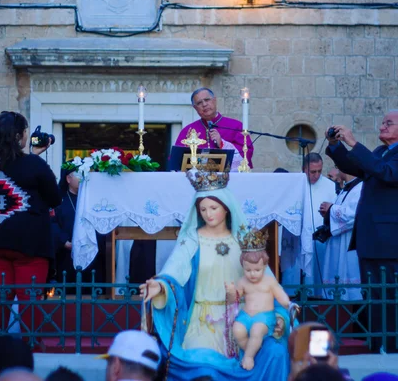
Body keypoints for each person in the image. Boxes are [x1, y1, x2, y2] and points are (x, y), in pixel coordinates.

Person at [140, 168, 291, 381]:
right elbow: (174, 270)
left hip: (243, 318)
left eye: (214, 207)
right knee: (205, 368)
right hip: (203, 322)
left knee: (275, 353)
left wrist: (279, 316)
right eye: (202, 209)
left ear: (226, 208)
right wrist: (161, 286)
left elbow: (267, 283)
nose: (208, 214)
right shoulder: (192, 241)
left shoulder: (244, 241)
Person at [326, 112, 398, 352]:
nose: (382, 126)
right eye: (383, 122)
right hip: (370, 237)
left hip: (389, 240)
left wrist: (355, 143)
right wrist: (336, 145)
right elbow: (355, 167)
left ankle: (391, 346)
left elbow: (387, 173)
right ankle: (377, 343)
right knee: (373, 296)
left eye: (389, 123)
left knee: (389, 297)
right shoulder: (379, 152)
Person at [0, 111, 61, 331]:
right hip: (30, 246)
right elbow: (55, 198)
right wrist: (35, 158)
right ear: (19, 136)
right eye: (25, 131)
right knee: (30, 309)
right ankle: (30, 354)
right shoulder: (34, 165)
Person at [226, 229, 292, 371]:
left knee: (256, 330)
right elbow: (234, 300)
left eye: (257, 270)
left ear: (264, 266)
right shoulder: (242, 281)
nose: (252, 274)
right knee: (237, 330)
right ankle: (252, 352)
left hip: (264, 317)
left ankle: (248, 357)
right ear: (243, 267)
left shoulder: (269, 281)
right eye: (248, 270)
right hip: (245, 315)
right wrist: (231, 292)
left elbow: (280, 296)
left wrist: (289, 304)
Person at [51, 161, 106, 287]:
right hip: (67, 254)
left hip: (93, 254)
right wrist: (64, 242)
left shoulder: (94, 199)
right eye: (79, 174)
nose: (83, 177)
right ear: (68, 179)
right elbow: (52, 224)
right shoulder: (58, 199)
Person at [175, 88, 254, 171]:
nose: (204, 104)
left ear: (214, 100)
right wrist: (187, 149)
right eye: (199, 103)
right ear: (195, 108)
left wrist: (222, 144)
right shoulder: (188, 131)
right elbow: (175, 162)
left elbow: (246, 155)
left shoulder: (235, 126)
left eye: (207, 100)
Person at [319, 172, 362, 301]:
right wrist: (328, 212)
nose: (337, 171)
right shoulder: (345, 189)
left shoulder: (361, 187)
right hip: (337, 242)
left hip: (349, 241)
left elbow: (354, 214)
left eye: (339, 167)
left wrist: (331, 209)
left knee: (347, 282)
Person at [302, 153, 336, 295]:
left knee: (321, 275)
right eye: (312, 172)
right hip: (300, 239)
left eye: (319, 171)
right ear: (304, 169)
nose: (316, 175)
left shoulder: (330, 186)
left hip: (321, 239)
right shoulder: (297, 184)